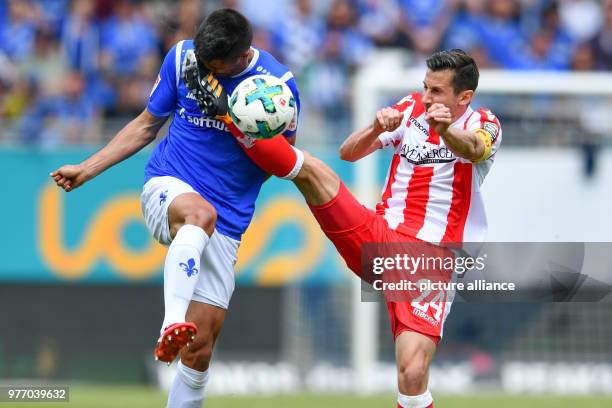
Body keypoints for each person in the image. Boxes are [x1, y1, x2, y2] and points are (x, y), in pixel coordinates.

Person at [50, 8, 301, 408]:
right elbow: (147, 124)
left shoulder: (277, 88)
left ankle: (182, 349)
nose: (204, 69)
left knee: (199, 350)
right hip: (170, 184)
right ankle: (172, 323)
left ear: (241, 56)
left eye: (214, 66)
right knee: (200, 215)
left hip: (230, 219)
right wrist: (87, 168)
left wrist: (234, 119)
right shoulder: (184, 58)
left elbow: (281, 163)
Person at [222, 49, 501, 408]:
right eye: (425, 88)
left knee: (412, 372)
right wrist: (375, 127)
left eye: (437, 92)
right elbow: (348, 152)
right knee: (313, 172)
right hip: (379, 238)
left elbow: (477, 149)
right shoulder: (410, 107)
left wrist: (445, 129)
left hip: (432, 260)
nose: (427, 97)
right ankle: (230, 116)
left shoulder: (485, 122)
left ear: (464, 96)